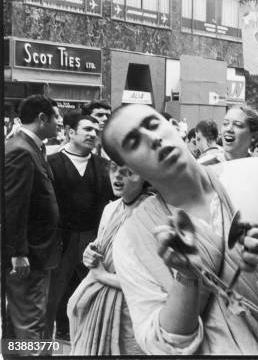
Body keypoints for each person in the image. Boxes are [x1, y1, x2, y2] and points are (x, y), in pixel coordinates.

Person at [101, 104, 258, 355]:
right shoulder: (132, 239)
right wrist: (187, 278)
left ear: (171, 127)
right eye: (135, 142)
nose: (153, 139)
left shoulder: (257, 173)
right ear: (128, 167)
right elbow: (162, 346)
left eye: (153, 125)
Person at [67, 162, 149, 354]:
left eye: (128, 172)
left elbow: (152, 282)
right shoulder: (110, 209)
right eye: (114, 169)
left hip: (133, 311)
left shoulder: (153, 214)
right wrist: (90, 254)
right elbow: (100, 250)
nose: (117, 176)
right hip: (99, 305)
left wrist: (103, 276)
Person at [46, 114, 114, 340]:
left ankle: (88, 334)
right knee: (56, 293)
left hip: (92, 239)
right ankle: (61, 334)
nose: (93, 133)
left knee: (91, 288)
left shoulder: (104, 167)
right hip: (61, 240)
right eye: (86, 129)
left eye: (95, 130)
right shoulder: (52, 163)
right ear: (70, 132)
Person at [4, 95, 62, 354]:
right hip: (29, 258)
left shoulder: (29, 147)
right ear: (42, 119)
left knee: (18, 322)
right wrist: (19, 253)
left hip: (34, 255)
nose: (60, 123)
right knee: (30, 323)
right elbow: (13, 206)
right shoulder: (21, 150)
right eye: (56, 117)